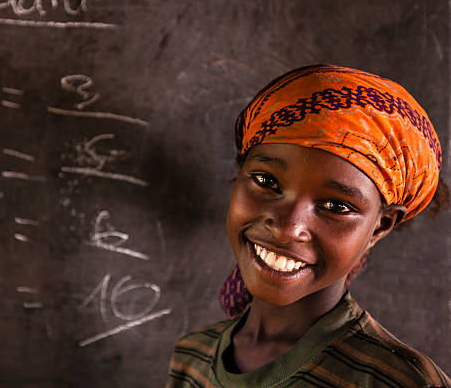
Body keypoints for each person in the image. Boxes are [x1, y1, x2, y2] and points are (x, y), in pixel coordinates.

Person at [166, 65, 451, 387]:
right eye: (266, 181)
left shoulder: (399, 381)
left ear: (379, 227)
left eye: (336, 206)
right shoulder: (192, 356)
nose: (287, 228)